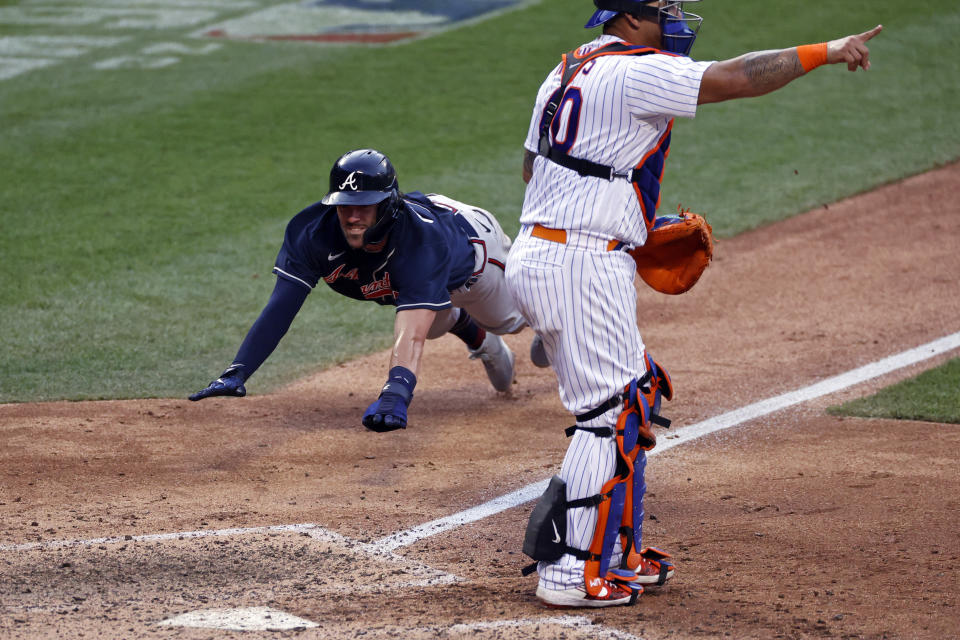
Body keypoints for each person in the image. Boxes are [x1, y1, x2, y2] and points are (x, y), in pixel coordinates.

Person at [508, 0, 883, 608]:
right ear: (627, 18)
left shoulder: (567, 71)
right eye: (664, 8)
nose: (677, 18)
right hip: (578, 261)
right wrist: (827, 49)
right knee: (608, 417)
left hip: (554, 249)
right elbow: (737, 76)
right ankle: (569, 572)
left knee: (637, 397)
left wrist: (621, 219)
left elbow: (535, 168)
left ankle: (616, 552)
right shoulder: (637, 68)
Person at [190, 149, 526, 431]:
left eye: (364, 205)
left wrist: (396, 394)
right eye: (344, 205)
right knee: (435, 322)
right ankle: (475, 334)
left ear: (387, 205)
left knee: (509, 322)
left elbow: (410, 336)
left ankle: (537, 317)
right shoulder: (311, 234)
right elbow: (280, 308)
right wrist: (238, 370)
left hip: (475, 255)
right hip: (420, 278)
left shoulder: (421, 244)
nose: (352, 217)